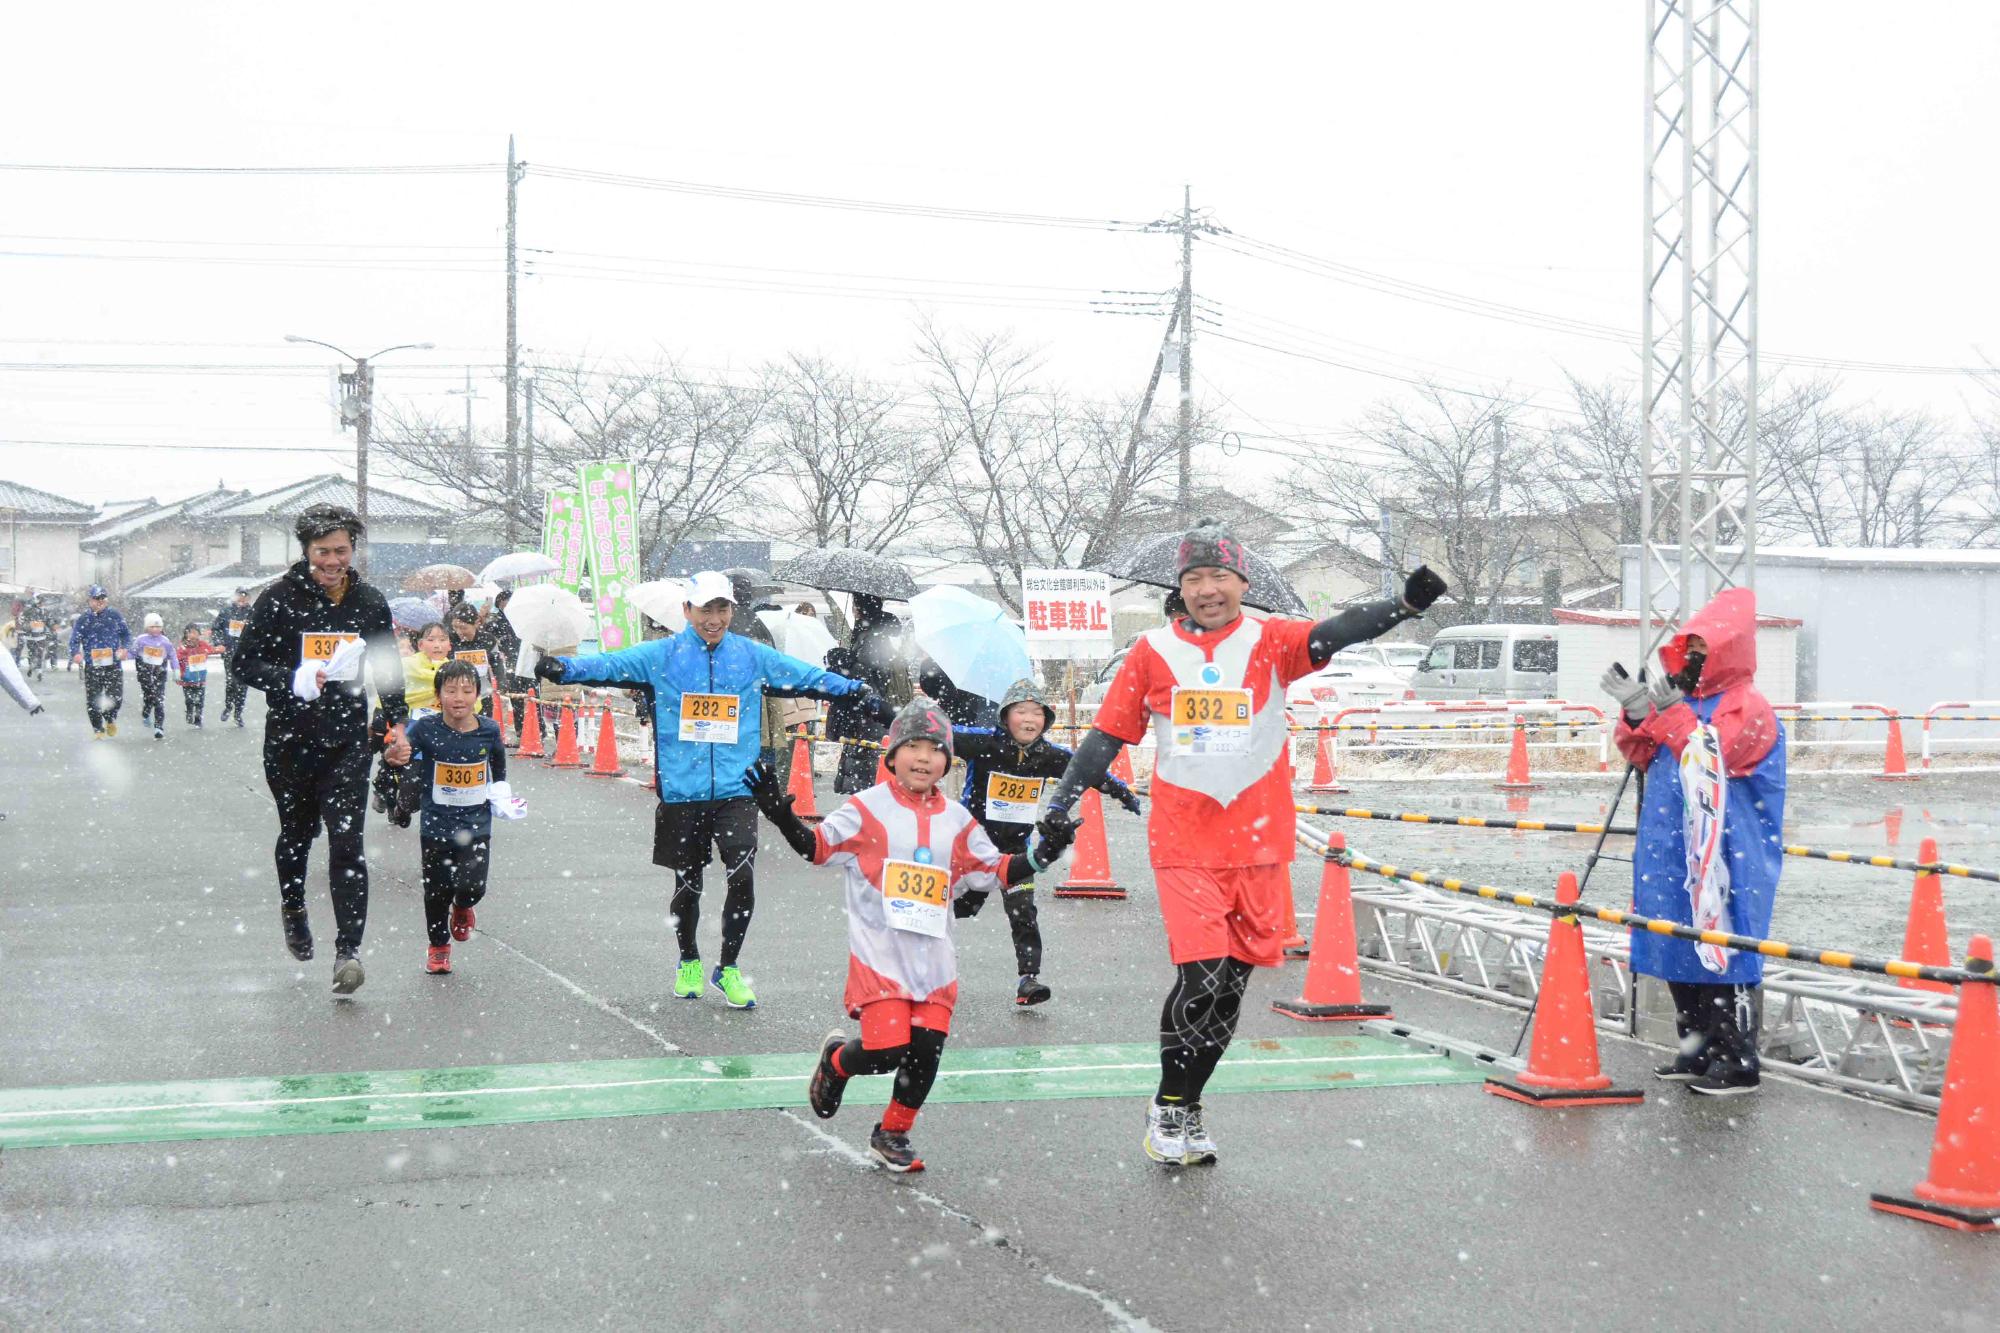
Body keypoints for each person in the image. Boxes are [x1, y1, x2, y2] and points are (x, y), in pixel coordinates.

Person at [1040, 518, 1446, 1166]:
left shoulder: (1270, 641)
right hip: (1184, 841)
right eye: (1195, 577)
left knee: (1229, 989)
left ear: (1241, 583)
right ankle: (1168, 1105)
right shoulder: (1151, 652)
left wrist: (1404, 606)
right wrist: (1058, 801)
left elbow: (1334, 632)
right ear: (1181, 587)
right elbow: (1105, 738)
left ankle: (1190, 1101)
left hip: (1259, 843)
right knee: (1198, 978)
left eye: (1219, 576)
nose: (1208, 588)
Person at [532, 570, 895, 1010]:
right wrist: (564, 668)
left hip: (736, 788)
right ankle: (688, 960)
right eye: (706, 609)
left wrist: (856, 691)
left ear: (731, 610)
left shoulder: (750, 656)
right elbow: (609, 664)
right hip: (683, 791)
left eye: (722, 609)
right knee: (689, 884)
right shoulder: (662, 655)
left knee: (741, 874)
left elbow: (805, 676)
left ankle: (728, 968)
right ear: (687, 611)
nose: (715, 618)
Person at [745, 698, 1075, 1172]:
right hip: (880, 954)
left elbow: (998, 869)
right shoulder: (866, 808)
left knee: (926, 1052)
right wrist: (781, 818)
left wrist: (1046, 852)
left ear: (947, 760)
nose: (924, 758)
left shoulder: (958, 820)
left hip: (935, 959)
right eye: (913, 747)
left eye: (935, 749)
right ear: (892, 755)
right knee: (884, 1051)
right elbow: (818, 848)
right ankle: (837, 1062)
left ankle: (893, 1133)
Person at [1602, 587, 1786, 1097]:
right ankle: (1697, 1047)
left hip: (1727, 847)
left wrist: (1673, 716)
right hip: (1670, 843)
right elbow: (1644, 755)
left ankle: (1737, 1057)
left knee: (1724, 939)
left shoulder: (1748, 706)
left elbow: (1713, 758)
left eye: (1704, 651)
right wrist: (1637, 713)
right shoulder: (1688, 701)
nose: (1694, 661)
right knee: (1676, 938)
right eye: (1690, 650)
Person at [228, 503, 408, 995]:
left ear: (354, 551)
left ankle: (348, 952)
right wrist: (292, 679)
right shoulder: (279, 599)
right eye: (323, 551)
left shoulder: (368, 601)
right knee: (298, 834)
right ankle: (294, 906)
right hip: (290, 741)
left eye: (342, 551)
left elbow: (388, 668)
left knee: (347, 844)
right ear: (306, 550)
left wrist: (398, 725)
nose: (333, 560)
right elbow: (243, 663)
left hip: (348, 740)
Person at [951, 676, 1143, 1006]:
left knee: (1024, 912)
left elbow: (1086, 772)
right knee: (957, 909)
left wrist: (1121, 792)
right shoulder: (983, 743)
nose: (1029, 719)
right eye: (1021, 711)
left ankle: (1029, 979)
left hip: (1016, 853)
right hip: (972, 848)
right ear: (1005, 716)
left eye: (1037, 713)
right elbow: (938, 737)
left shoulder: (1049, 754)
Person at [395, 659, 525, 975]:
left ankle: (464, 905)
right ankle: (438, 947)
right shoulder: (426, 729)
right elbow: (402, 754)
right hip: (436, 822)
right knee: (436, 890)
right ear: (438, 695)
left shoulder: (489, 730)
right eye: (450, 690)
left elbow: (499, 765)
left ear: (477, 695)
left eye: (467, 690)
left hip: (476, 823)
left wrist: (501, 794)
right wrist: (396, 755)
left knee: (473, 885)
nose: (459, 697)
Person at [826, 593, 908, 794]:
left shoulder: (872, 638)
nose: (853, 610)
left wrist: (843, 665)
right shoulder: (875, 634)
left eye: (855, 605)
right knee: (867, 773)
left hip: (871, 716)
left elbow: (867, 680)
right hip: (873, 714)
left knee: (867, 777)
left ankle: (867, 819)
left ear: (861, 608)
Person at [68, 585, 131, 739]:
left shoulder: (114, 615)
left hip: (113, 664)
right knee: (93, 698)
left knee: (116, 697)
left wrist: (124, 649)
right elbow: (74, 639)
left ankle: (110, 718)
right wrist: (75, 653)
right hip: (93, 664)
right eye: (96, 599)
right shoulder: (84, 618)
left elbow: (126, 635)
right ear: (90, 600)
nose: (99, 602)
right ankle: (97, 729)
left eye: (102, 599)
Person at [478, 588, 526, 734]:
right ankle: (521, 731)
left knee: (529, 698)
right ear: (500, 604)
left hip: (524, 662)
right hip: (508, 664)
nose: (508, 606)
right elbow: (487, 639)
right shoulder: (496, 622)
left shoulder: (522, 619)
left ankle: (531, 731)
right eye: (505, 602)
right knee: (516, 699)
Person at [130, 613, 179, 740]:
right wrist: (121, 656)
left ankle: (159, 727)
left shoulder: (165, 641)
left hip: (160, 671)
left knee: (159, 699)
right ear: (147, 628)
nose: (155, 629)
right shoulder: (141, 640)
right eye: (152, 627)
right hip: (144, 671)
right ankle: (146, 712)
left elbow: (172, 655)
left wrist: (176, 670)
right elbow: (133, 653)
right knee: (149, 696)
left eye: (158, 627)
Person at [212, 588, 256, 726]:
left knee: (242, 684)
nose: (242, 600)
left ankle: (238, 713)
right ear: (235, 598)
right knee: (231, 681)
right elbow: (216, 629)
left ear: (248, 599)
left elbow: (259, 631)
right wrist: (219, 643)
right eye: (239, 597)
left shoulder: (252, 613)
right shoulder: (226, 612)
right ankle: (228, 706)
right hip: (229, 651)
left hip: (246, 653)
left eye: (245, 598)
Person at [177, 623, 216, 726]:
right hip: (187, 679)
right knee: (189, 699)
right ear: (186, 634)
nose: (193, 635)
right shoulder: (182, 648)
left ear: (199, 634)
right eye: (190, 633)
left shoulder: (202, 645)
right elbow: (177, 660)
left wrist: (220, 649)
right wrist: (179, 673)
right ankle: (189, 712)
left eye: (195, 632)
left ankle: (198, 718)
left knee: (200, 700)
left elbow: (211, 650)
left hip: (200, 678)